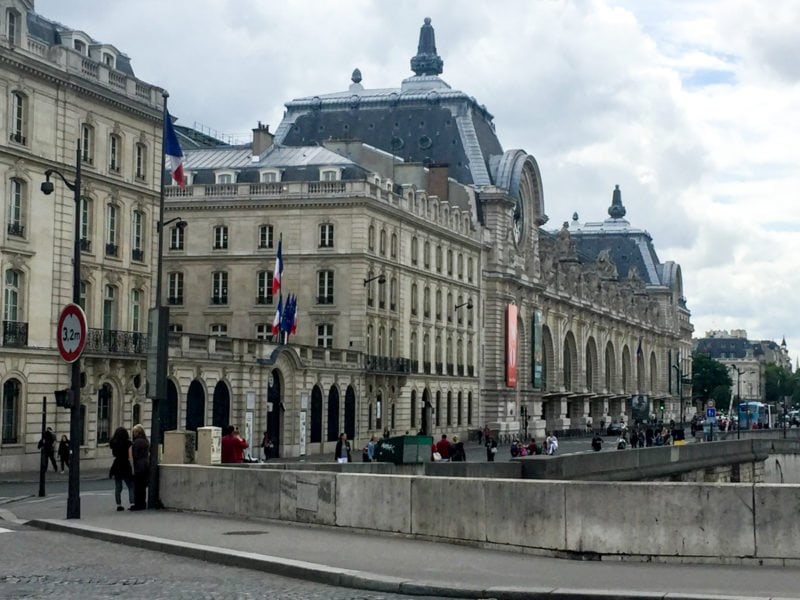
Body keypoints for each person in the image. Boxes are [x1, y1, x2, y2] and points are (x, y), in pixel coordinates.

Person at [108, 427, 134, 512]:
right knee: (130, 485)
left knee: (118, 486)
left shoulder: (113, 443)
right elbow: (130, 456)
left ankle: (119, 505)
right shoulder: (128, 443)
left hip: (117, 464)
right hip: (125, 464)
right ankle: (132, 503)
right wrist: (132, 467)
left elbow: (114, 454)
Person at [129, 424, 149, 511]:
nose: (133, 434)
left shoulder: (136, 443)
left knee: (137, 486)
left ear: (137, 433)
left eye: (134, 432)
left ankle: (138, 504)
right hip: (146, 464)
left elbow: (135, 455)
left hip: (138, 465)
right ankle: (143, 503)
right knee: (143, 486)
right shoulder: (146, 441)